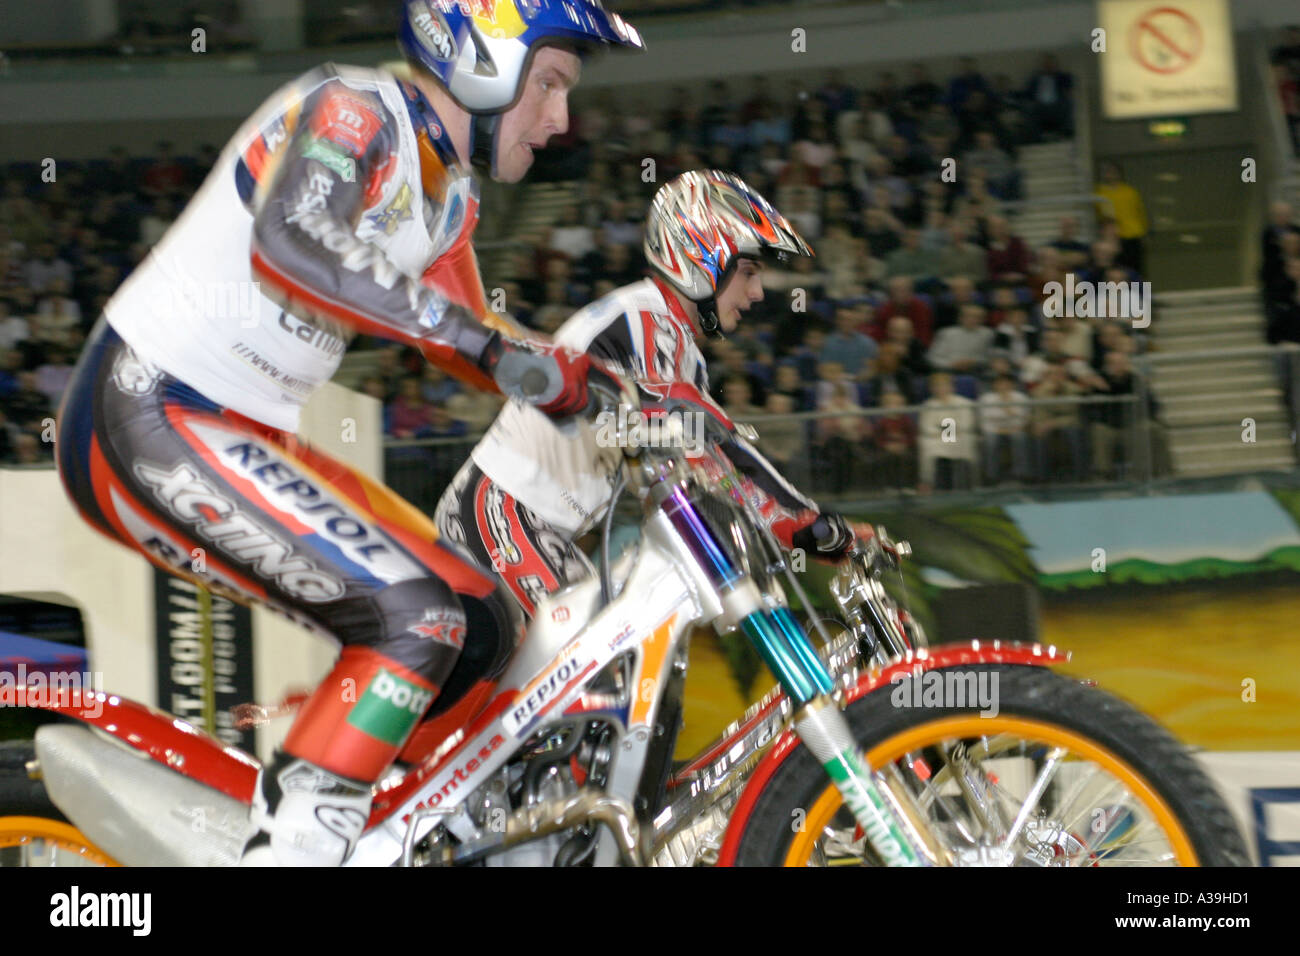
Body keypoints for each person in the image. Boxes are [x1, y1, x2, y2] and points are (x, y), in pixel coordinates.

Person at [54, 0, 643, 868]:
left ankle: (393, 828)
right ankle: (294, 850)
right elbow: (290, 239)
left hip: (239, 429)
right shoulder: (355, 107)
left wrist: (621, 394)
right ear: (482, 59)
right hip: (147, 409)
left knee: (485, 618)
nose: (561, 120)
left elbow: (472, 335)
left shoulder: (448, 196)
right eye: (551, 84)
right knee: (420, 618)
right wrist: (493, 347)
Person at [436, 170, 874, 618]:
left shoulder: (677, 346)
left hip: (527, 521)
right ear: (702, 259)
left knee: (625, 664)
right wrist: (807, 525)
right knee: (596, 678)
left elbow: (703, 469)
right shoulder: (637, 319)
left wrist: (799, 528)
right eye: (749, 272)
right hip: (502, 513)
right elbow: (712, 448)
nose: (758, 293)